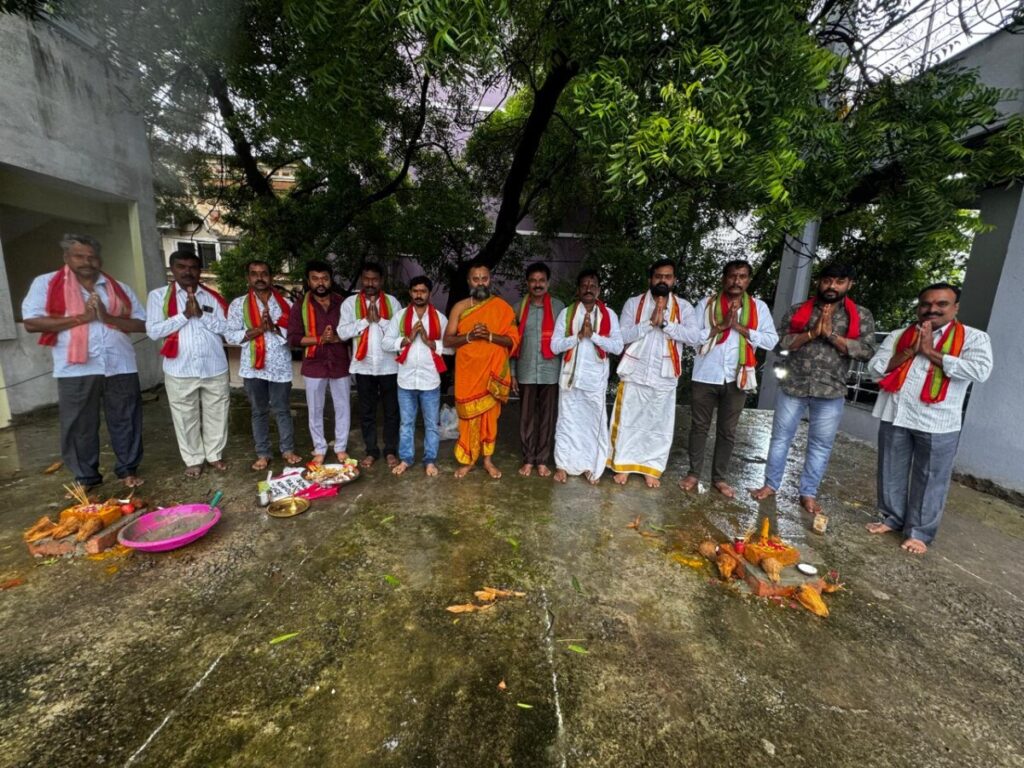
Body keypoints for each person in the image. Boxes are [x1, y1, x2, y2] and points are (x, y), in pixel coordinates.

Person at [865, 283, 992, 554]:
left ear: (955, 307)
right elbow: (875, 370)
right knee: (890, 471)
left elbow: (979, 371)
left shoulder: (973, 338)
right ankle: (891, 519)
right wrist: (911, 350)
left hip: (939, 421)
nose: (932, 309)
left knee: (931, 478)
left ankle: (919, 533)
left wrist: (930, 352)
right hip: (896, 412)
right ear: (919, 306)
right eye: (926, 304)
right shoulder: (901, 336)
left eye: (941, 304)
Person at [22, 234, 147, 490]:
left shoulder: (118, 287)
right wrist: (81, 318)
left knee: (127, 419)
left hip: (120, 364)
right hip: (76, 368)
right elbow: (32, 322)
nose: (87, 261)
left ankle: (128, 470)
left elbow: (142, 323)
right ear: (66, 257)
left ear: (99, 259)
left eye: (91, 256)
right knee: (80, 425)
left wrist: (107, 316)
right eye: (79, 256)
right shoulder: (46, 284)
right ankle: (85, 477)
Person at [750, 262, 877, 514]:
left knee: (820, 444)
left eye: (839, 282)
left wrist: (831, 335)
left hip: (831, 391)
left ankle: (808, 493)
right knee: (780, 439)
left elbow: (866, 351)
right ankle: (770, 485)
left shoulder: (860, 316)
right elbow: (780, 345)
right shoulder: (799, 311)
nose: (832, 286)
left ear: (849, 285)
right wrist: (810, 334)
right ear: (819, 282)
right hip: (793, 386)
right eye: (828, 280)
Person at [680, 260, 778, 498]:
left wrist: (740, 327)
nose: (737, 281)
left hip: (738, 377)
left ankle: (719, 478)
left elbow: (771, 341)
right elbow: (691, 338)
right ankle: (694, 473)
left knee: (728, 430)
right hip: (706, 374)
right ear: (724, 278)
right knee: (699, 427)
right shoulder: (706, 305)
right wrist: (721, 326)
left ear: (748, 280)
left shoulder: (758, 308)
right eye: (732, 276)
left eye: (742, 276)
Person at [607, 259, 701, 488]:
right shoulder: (634, 303)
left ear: (674, 281)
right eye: (658, 276)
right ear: (651, 279)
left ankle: (651, 467)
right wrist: (650, 322)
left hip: (664, 375)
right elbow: (621, 337)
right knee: (629, 419)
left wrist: (666, 324)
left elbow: (694, 337)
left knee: (658, 424)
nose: (662, 280)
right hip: (635, 373)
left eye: (667, 277)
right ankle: (624, 466)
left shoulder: (685, 307)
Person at [146, 249, 230, 478]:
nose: (187, 271)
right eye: (181, 267)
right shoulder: (159, 296)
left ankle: (214, 455)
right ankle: (193, 459)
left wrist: (202, 315)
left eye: (192, 267)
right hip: (180, 369)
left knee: (217, 413)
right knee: (185, 417)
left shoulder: (212, 297)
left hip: (214, 366)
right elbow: (153, 331)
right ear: (172, 269)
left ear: (199, 270)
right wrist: (184, 315)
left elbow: (227, 329)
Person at [442, 262, 520, 479]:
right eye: (475, 279)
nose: (480, 282)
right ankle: (468, 461)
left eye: (484, 278)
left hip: (492, 376)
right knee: (467, 419)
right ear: (469, 281)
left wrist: (489, 336)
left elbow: (513, 340)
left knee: (489, 419)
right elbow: (447, 340)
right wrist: (469, 337)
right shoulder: (460, 307)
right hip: (468, 373)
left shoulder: (503, 308)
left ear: (489, 279)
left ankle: (487, 460)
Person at [225, 261, 301, 471]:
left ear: (271, 277)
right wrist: (258, 330)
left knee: (282, 410)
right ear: (248, 278)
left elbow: (295, 336)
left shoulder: (286, 304)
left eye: (264, 274)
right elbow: (230, 335)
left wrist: (275, 328)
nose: (259, 278)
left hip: (279, 367)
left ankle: (287, 449)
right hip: (252, 367)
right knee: (259, 411)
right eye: (254, 274)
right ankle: (263, 453)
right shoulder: (238, 304)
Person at [550, 269, 623, 484]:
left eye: (593, 286)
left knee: (594, 425)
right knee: (566, 422)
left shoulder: (609, 315)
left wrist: (594, 336)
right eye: (584, 285)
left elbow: (617, 347)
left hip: (594, 381)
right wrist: (578, 336)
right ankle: (563, 465)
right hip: (570, 380)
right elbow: (555, 346)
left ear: (599, 290)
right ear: (578, 290)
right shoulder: (567, 313)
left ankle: (592, 467)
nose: (588, 289)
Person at [287, 260, 352, 465]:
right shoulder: (300, 306)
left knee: (343, 407)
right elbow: (293, 339)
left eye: (324, 278)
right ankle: (320, 448)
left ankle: (340, 447)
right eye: (315, 279)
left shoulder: (343, 303)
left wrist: (338, 338)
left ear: (331, 280)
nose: (320, 283)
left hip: (339, 362)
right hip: (314, 363)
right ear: (308, 281)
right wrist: (319, 339)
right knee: (315, 409)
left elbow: (353, 332)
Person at [338, 262, 402, 469]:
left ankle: (391, 450)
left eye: (374, 279)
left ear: (381, 281)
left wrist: (381, 321)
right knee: (367, 412)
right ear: (361, 280)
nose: (370, 283)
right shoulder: (350, 303)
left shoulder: (392, 303)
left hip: (389, 366)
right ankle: (372, 451)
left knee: (392, 411)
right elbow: (342, 332)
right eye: (366, 279)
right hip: (363, 366)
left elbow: (400, 334)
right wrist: (365, 320)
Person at [382, 275, 448, 476]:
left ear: (429, 293)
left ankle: (430, 461)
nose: (419, 295)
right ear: (410, 293)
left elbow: (451, 348)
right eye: (415, 291)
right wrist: (407, 339)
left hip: (430, 381)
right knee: (406, 423)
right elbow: (386, 343)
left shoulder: (440, 318)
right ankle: (406, 459)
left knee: (431, 425)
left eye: (423, 291)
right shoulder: (400, 316)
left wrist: (430, 342)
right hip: (406, 381)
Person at [511, 262, 565, 477]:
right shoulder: (518, 309)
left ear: (548, 283)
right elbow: (512, 344)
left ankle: (542, 460)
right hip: (525, 370)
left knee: (547, 417)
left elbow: (565, 342)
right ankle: (528, 459)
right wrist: (513, 372)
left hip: (551, 371)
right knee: (526, 417)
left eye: (541, 280)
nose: (537, 284)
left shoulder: (559, 308)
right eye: (533, 280)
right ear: (527, 283)